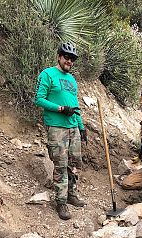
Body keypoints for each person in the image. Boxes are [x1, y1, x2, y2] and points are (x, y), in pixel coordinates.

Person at [34, 42, 88, 220]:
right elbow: (39, 99)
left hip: (73, 127)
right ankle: (61, 202)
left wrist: (81, 126)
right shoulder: (48, 74)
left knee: (74, 163)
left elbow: (76, 105)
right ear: (59, 56)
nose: (69, 61)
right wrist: (60, 109)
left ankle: (71, 194)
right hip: (57, 127)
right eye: (66, 57)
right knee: (60, 164)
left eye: (72, 59)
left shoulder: (72, 80)